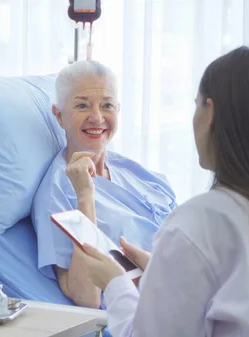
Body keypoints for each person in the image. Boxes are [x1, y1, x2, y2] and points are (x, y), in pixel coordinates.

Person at [77, 46, 249, 336]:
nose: (97, 117)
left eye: (195, 104)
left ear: (210, 112)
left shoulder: (201, 220)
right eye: (82, 105)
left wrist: (115, 284)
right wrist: (167, 275)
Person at [31, 60, 177, 309]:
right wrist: (85, 197)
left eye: (107, 105)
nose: (97, 117)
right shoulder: (57, 193)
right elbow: (86, 296)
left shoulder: (137, 173)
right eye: (82, 105)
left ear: (118, 110)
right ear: (59, 116)